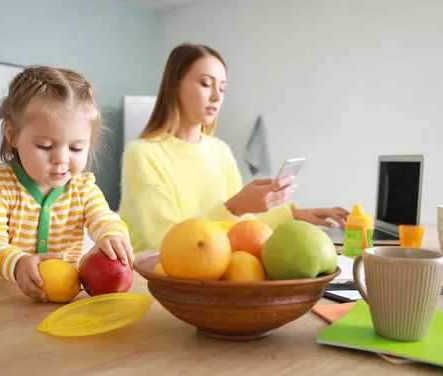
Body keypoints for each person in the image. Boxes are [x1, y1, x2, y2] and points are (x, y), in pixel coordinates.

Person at [118, 43, 350, 252]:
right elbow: (165, 241)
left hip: (209, 273)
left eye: (222, 87)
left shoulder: (220, 152)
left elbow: (242, 230)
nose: (217, 96)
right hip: (153, 279)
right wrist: (234, 207)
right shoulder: (142, 153)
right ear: (175, 85)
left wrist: (294, 215)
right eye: (206, 84)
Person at [0, 66, 134, 302]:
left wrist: (112, 236)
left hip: (59, 296)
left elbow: (104, 219)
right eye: (45, 146)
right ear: (12, 135)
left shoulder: (83, 189)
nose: (61, 159)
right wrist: (18, 264)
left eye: (76, 148)